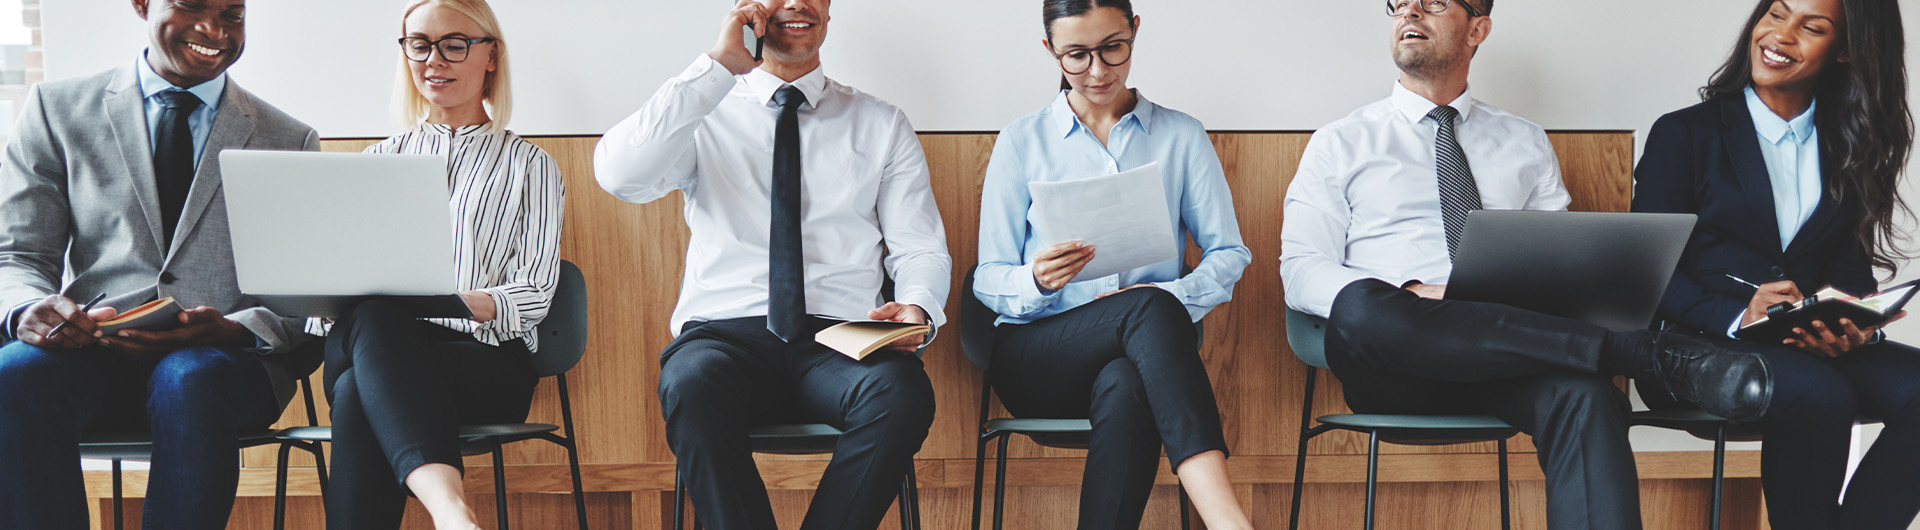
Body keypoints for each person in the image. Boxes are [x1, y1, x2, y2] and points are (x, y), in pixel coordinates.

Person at [1280, 1, 1777, 528]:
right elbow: (1302, 271)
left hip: (1508, 359)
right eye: (1400, 2)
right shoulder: (1340, 142)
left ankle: (1634, 353)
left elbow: (1560, 275)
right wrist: (1410, 291)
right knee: (1359, 304)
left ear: (1478, 28)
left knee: (1589, 399)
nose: (1410, 11)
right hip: (1397, 359)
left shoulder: (1524, 140)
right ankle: (1647, 354)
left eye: (1432, 3)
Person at [594, 0, 950, 527]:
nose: (795, 3)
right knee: (689, 382)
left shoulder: (881, 123)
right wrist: (716, 67)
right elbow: (621, 175)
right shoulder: (701, 112)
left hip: (841, 338)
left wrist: (918, 308)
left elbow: (918, 245)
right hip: (725, 337)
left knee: (901, 391)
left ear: (829, 10)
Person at [0, 0, 322, 527]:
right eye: (192, 6)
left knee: (189, 378)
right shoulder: (55, 109)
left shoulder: (288, 139)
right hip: (92, 353)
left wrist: (232, 330)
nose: (213, 30)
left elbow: (305, 298)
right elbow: (17, 254)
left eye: (233, 15)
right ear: (143, 4)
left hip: (220, 367)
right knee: (13, 372)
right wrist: (27, 309)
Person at [1633, 0, 1919, 527]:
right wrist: (1738, 314)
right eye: (1776, 14)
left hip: (1801, 342)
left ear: (1847, 50)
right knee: (1819, 392)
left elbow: (1847, 265)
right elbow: (1649, 271)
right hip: (1693, 341)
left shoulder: (1849, 142)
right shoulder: (1684, 133)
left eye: (1811, 27)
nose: (1781, 35)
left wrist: (1851, 321)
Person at [972, 1, 1253, 528]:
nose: (1098, 71)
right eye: (1076, 56)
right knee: (1146, 308)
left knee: (1128, 376)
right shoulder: (1022, 140)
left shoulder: (1180, 135)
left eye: (1112, 48)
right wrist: (1035, 279)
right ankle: (1227, 520)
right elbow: (988, 276)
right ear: (1050, 51)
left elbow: (1228, 253)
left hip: (1143, 357)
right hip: (1038, 354)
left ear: (1134, 32)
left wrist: (1169, 300)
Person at [315, 1, 566, 529]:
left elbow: (535, 293)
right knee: (377, 320)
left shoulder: (530, 165)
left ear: (491, 55)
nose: (434, 61)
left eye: (455, 44)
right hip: (372, 344)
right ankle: (451, 511)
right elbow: (324, 312)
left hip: (480, 361)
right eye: (419, 45)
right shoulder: (373, 164)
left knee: (358, 390)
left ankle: (449, 511)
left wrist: (451, 302)